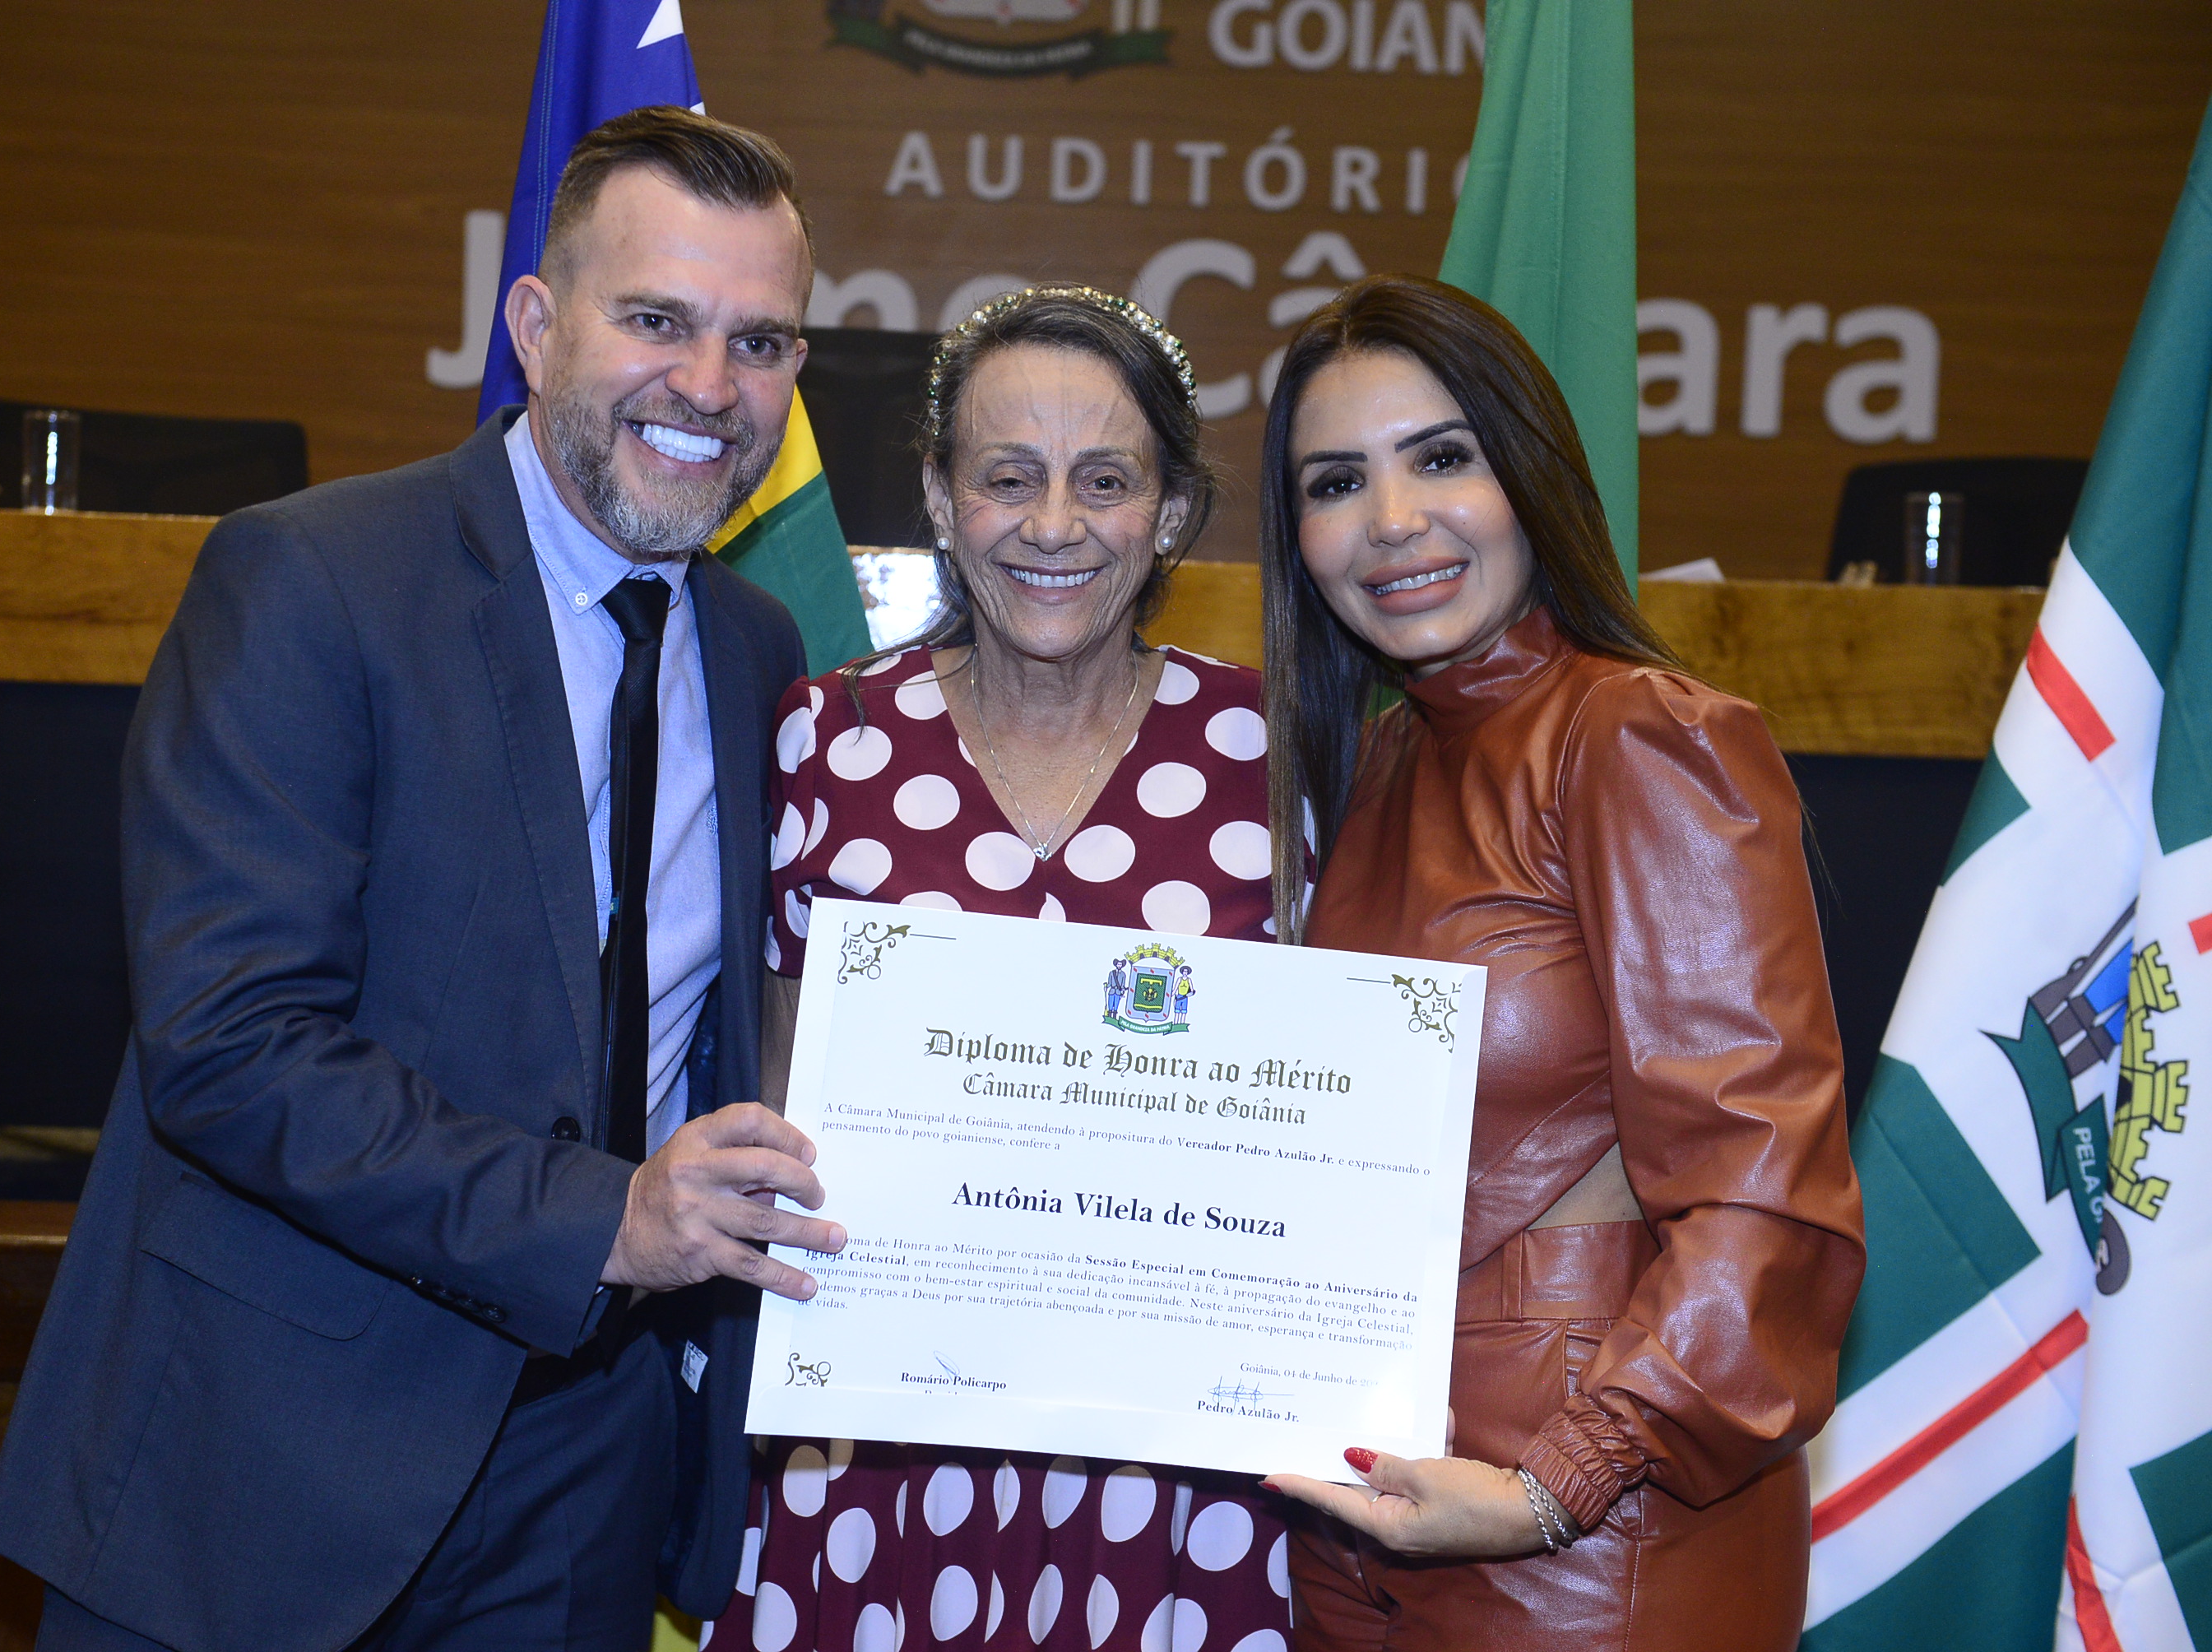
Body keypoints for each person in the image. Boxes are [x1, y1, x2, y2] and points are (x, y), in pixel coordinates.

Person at [0, 107, 848, 1652]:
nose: (711, 386)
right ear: (535, 324)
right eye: (656, 320)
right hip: (267, 1460)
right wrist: (601, 1221)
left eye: (760, 342)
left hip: (589, 1474)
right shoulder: (312, 579)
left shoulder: (755, 647)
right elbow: (231, 1045)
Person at [1252, 275, 1864, 1649]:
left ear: (1529, 478)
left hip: (1594, 1535)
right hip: (1363, 1510)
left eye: (1442, 458)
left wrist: (1558, 1483)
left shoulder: (1641, 735)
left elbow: (1769, 1192)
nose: (1392, 519)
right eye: (1337, 481)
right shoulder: (1379, 759)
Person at [712, 287, 1292, 1652]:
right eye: (1008, 478)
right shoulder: (827, 742)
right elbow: (786, 1095)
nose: (1053, 525)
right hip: (883, 1443)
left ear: (1170, 511)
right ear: (939, 495)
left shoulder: (1274, 756)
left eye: (1106, 481)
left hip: (1175, 1462)